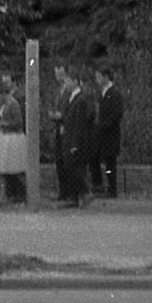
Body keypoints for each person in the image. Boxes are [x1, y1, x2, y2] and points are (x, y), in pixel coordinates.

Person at [60, 67, 95, 209]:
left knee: (75, 168)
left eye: (68, 80)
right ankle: (74, 197)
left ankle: (86, 192)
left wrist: (75, 143)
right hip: (69, 137)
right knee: (70, 167)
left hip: (75, 140)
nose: (66, 83)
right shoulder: (72, 97)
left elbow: (80, 123)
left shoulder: (80, 99)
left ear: (75, 81)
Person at [0, 79, 26, 205]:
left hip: (13, 138)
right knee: (2, 168)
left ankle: (27, 193)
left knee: (17, 168)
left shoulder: (13, 104)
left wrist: (4, 123)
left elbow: (18, 122)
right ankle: (2, 196)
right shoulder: (4, 105)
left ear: (2, 93)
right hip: (4, 136)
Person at [91, 66, 124, 198]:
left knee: (110, 163)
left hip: (110, 135)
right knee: (94, 158)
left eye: (99, 77)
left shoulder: (114, 93)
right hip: (101, 135)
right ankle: (98, 185)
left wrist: (104, 125)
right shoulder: (102, 93)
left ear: (105, 77)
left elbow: (116, 114)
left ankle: (112, 189)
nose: (97, 80)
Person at [48, 64, 71, 201]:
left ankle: (68, 192)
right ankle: (63, 191)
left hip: (65, 128)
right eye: (56, 74)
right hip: (58, 128)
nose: (58, 77)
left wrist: (61, 116)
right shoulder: (59, 90)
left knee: (65, 161)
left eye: (60, 74)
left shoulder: (69, 90)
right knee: (59, 161)